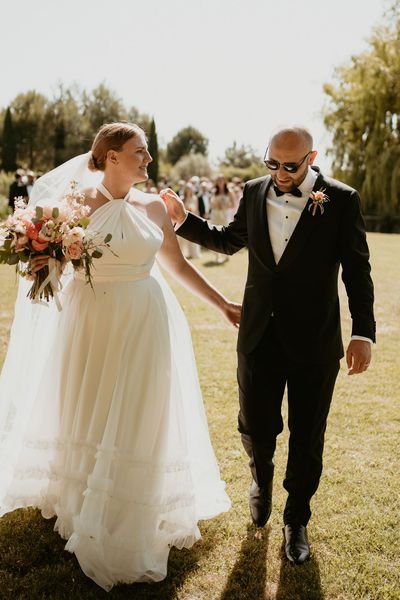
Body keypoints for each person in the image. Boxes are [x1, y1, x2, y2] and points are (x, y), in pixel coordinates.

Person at [0, 122, 241, 590]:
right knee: (89, 401)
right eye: (140, 152)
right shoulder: (73, 205)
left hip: (146, 318)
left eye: (147, 153)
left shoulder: (153, 206)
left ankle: (134, 500)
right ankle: (83, 498)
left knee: (140, 407)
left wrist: (224, 305)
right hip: (91, 319)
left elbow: (177, 265)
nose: (148, 160)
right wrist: (39, 254)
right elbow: (42, 265)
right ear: (110, 157)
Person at [161, 126, 375, 565]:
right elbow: (229, 239)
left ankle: (296, 519)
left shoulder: (342, 200)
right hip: (257, 334)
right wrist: (184, 220)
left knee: (307, 435)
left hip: (314, 341)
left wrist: (362, 333)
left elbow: (357, 271)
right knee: (255, 425)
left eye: (290, 166)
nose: (279, 172)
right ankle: (260, 475)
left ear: (312, 157)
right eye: (271, 163)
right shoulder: (256, 191)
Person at [209, 175, 234, 263]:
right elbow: (211, 204)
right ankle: (217, 256)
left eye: (221, 180)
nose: (220, 182)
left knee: (225, 234)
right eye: (218, 181)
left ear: (224, 181)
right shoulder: (214, 192)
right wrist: (217, 205)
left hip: (225, 214)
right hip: (216, 214)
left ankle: (226, 255)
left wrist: (225, 206)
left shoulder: (229, 192)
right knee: (215, 234)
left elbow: (233, 204)